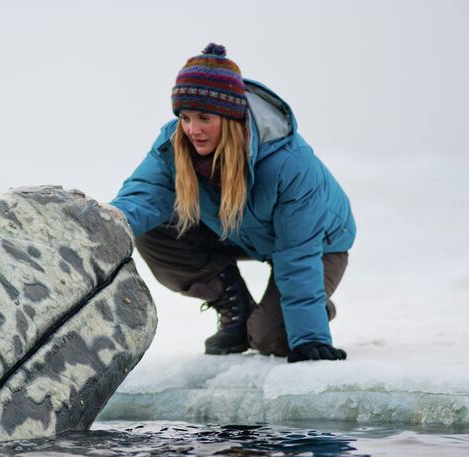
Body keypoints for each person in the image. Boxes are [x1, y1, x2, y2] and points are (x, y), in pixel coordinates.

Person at [110, 43, 355, 363]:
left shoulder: (289, 163)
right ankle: (235, 308)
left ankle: (308, 311)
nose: (192, 129)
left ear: (230, 118)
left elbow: (298, 254)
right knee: (153, 227)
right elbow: (142, 196)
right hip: (240, 230)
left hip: (319, 244)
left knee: (270, 338)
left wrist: (309, 336)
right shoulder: (175, 143)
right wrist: (105, 225)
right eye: (184, 117)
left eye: (204, 117)